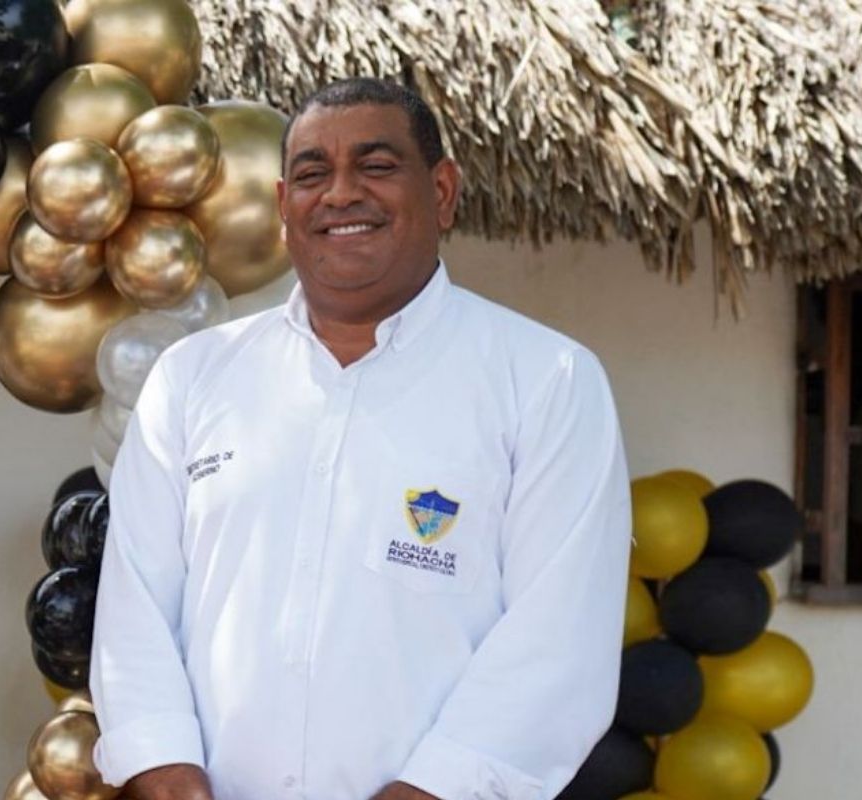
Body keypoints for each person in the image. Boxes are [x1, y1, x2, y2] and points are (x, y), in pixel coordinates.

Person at [90, 77, 631, 800]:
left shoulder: (546, 379)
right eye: (313, 174)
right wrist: (164, 769)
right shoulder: (192, 378)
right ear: (284, 206)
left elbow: (558, 641)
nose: (341, 194)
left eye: (375, 166)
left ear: (442, 191)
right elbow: (135, 608)